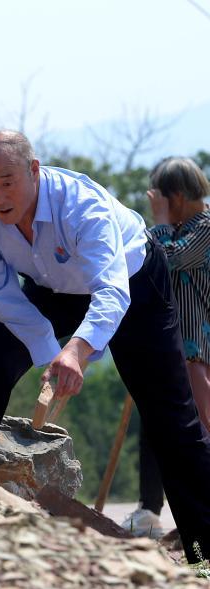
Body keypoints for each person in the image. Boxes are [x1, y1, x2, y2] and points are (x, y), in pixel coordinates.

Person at [0, 130, 210, 564]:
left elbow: (112, 293)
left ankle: (205, 552)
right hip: (51, 287)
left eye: (8, 182)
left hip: (133, 282)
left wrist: (77, 350)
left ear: (34, 171)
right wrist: (48, 352)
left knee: (171, 417)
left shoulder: (81, 205)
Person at [119, 157, 210, 537]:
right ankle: (157, 510)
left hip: (197, 350)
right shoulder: (178, 231)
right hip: (175, 347)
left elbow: (163, 259)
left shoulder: (204, 229)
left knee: (199, 429)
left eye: (160, 196)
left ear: (175, 196)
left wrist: (156, 222)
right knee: (161, 427)